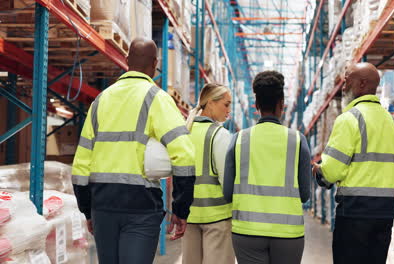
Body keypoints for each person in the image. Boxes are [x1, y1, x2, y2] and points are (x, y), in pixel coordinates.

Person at [71, 38, 196, 264]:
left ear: (127, 60)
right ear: (155, 64)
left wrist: (88, 210)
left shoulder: (101, 100)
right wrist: (180, 208)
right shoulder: (157, 99)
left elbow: (81, 164)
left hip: (103, 205)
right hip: (141, 206)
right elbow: (184, 155)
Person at [313, 62, 394, 264]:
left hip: (355, 212)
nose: (344, 87)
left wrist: (319, 171)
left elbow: (331, 171)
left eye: (348, 81)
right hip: (386, 213)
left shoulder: (349, 119)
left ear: (362, 84)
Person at [223, 71, 312, 264]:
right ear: (282, 104)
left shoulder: (238, 140)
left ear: (256, 106)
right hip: (288, 234)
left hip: (247, 232)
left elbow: (227, 192)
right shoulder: (298, 140)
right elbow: (305, 194)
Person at [182, 83, 236, 264]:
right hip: (217, 217)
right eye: (226, 104)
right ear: (211, 103)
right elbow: (228, 181)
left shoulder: (185, 132)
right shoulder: (219, 135)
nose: (229, 110)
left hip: (189, 216)